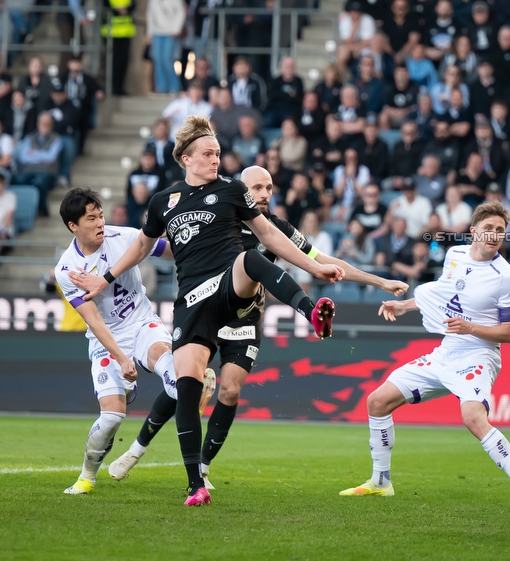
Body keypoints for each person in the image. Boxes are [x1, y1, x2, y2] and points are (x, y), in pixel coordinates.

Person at [67, 116, 343, 507]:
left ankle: (311, 311)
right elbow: (143, 247)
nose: (216, 160)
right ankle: (195, 484)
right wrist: (105, 278)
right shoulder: (164, 201)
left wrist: (315, 268)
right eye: (208, 154)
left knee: (250, 258)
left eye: (217, 153)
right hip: (192, 300)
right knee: (187, 386)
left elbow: (269, 234)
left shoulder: (232, 189)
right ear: (185, 158)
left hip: (229, 283)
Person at [109, 166, 409, 489]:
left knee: (231, 388)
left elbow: (323, 259)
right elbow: (170, 244)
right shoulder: (218, 212)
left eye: (268, 187)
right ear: (240, 189)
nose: (265, 194)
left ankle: (204, 468)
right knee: (184, 383)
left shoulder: (276, 228)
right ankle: (137, 448)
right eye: (257, 188)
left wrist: (379, 281)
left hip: (244, 317)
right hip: (206, 306)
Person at [340, 201, 510, 506]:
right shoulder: (455, 254)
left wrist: (470, 328)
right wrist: (404, 305)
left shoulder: (505, 276)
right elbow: (442, 296)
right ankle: (380, 482)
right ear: (474, 231)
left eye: (500, 230)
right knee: (378, 401)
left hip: (479, 353)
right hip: (448, 349)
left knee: (472, 417)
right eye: (488, 228)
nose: (494, 234)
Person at [54, 188, 214, 495]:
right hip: (107, 342)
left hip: (143, 325)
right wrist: (122, 359)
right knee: (111, 418)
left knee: (173, 377)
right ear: (73, 226)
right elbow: (95, 321)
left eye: (100, 214)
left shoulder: (124, 238)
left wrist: (194, 247)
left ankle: (191, 387)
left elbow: (167, 249)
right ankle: (87, 477)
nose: (99, 222)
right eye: (91, 218)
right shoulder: (66, 270)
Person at [146, 0, 187, 94]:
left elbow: (181, 12)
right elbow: (150, 14)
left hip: (170, 33)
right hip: (157, 32)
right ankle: (161, 88)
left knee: (167, 59)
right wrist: (149, 32)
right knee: (157, 59)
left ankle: (174, 87)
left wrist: (176, 29)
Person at [101, 0, 135, 95]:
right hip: (111, 33)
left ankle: (120, 88)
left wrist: (119, 9)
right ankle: (112, 87)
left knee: (124, 62)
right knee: (112, 63)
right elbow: (107, 7)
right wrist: (119, 10)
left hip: (125, 33)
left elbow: (132, 6)